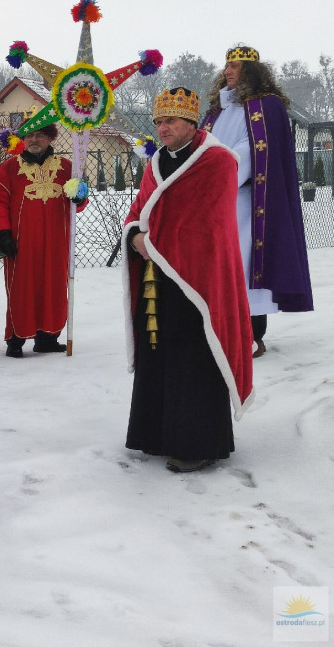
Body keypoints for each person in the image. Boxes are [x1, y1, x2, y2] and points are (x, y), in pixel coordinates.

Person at [122, 88, 253, 473]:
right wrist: (134, 234)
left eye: (170, 122)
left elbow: (208, 223)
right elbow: (140, 207)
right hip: (157, 277)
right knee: (159, 352)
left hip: (200, 283)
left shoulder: (218, 161)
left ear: (191, 123)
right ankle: (158, 433)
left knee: (193, 357)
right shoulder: (156, 162)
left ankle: (198, 443)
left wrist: (152, 240)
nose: (162, 129)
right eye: (158, 122)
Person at [201, 45, 313, 357]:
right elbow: (204, 145)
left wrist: (215, 169)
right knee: (218, 264)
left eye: (234, 66)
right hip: (214, 203)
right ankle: (217, 328)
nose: (228, 71)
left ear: (251, 71)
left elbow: (249, 152)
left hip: (250, 204)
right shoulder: (217, 110)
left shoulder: (269, 106)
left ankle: (251, 334)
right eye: (226, 66)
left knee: (247, 263)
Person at [0, 120, 88, 357]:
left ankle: (47, 337)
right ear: (22, 139)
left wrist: (79, 196)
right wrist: (2, 233)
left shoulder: (67, 167)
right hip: (21, 242)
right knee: (21, 287)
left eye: (40, 135)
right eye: (29, 135)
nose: (34, 140)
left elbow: (80, 203)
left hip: (57, 240)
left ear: (51, 138)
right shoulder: (9, 168)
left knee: (53, 286)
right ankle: (16, 338)